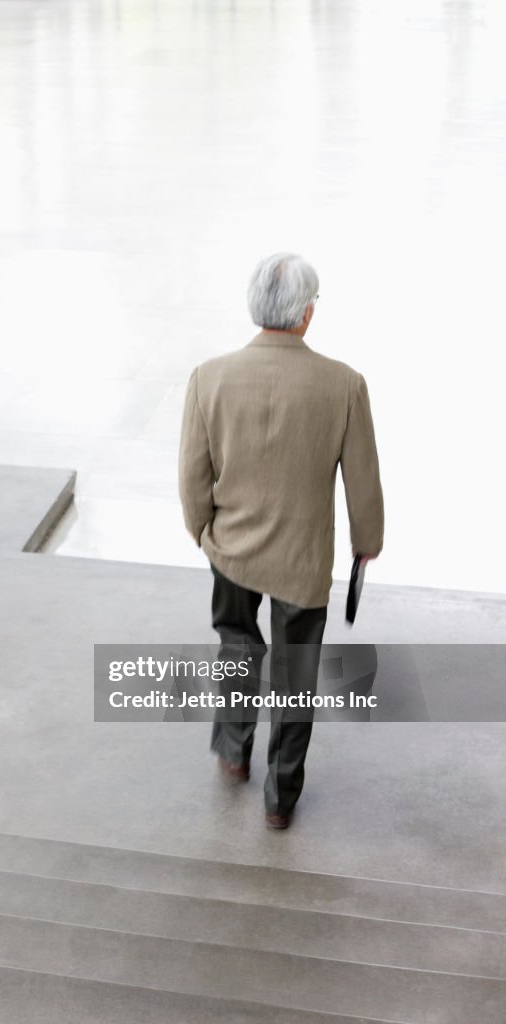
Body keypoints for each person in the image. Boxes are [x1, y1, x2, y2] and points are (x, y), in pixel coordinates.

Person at [178, 252, 384, 829]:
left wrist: (203, 531)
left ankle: (233, 754)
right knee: (296, 671)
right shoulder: (343, 384)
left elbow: (193, 474)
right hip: (303, 559)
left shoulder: (209, 377)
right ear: (307, 314)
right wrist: (366, 540)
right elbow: (362, 476)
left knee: (238, 646)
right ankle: (280, 798)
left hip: (232, 550)